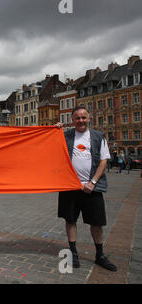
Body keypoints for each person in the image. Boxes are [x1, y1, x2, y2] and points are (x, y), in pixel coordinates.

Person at [56, 106, 117, 271]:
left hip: (92, 187)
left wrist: (93, 182)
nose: (81, 121)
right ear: (72, 120)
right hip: (70, 186)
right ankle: (73, 253)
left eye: (84, 117)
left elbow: (104, 160)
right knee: (70, 220)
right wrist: (53, 130)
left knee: (96, 223)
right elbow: (47, 145)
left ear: (89, 118)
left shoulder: (98, 137)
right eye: (77, 118)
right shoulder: (66, 135)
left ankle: (100, 255)